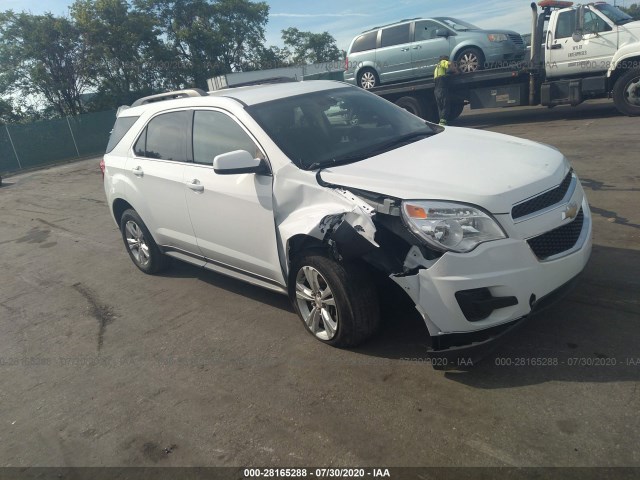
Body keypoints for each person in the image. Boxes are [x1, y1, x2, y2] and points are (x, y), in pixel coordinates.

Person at [433, 55, 458, 126]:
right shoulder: (442, 62)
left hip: (436, 90)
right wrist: (455, 70)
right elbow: (449, 64)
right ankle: (443, 122)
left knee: (440, 107)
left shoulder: (436, 68)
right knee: (445, 105)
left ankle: (441, 122)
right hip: (442, 89)